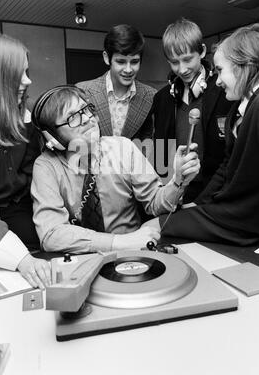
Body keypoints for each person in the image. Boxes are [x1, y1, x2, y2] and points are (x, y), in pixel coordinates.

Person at [30, 85, 200, 253]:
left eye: (86, 110)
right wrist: (119, 242)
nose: (87, 119)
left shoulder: (124, 147)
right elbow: (51, 235)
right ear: (52, 137)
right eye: (73, 117)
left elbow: (155, 204)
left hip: (133, 252)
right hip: (84, 257)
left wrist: (178, 181)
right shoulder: (45, 167)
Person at [147, 23, 259, 252]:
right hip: (216, 204)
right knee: (159, 227)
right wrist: (183, 196)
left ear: (243, 66)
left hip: (240, 215)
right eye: (174, 62)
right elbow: (228, 164)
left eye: (221, 70)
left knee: (158, 229)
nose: (219, 80)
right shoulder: (240, 108)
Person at [0, 33, 51, 288]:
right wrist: (23, 261)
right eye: (19, 73)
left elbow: (36, 182)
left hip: (25, 219)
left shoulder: (26, 119)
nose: (28, 80)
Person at [152, 18, 232, 202]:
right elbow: (159, 151)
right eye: (174, 62)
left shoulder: (223, 91)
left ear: (202, 51)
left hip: (214, 192)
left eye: (187, 59)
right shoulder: (162, 98)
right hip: (174, 190)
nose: (182, 69)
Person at [76, 24, 156, 142]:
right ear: (106, 58)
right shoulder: (82, 91)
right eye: (121, 62)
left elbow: (147, 139)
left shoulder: (150, 95)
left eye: (134, 62)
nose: (128, 69)